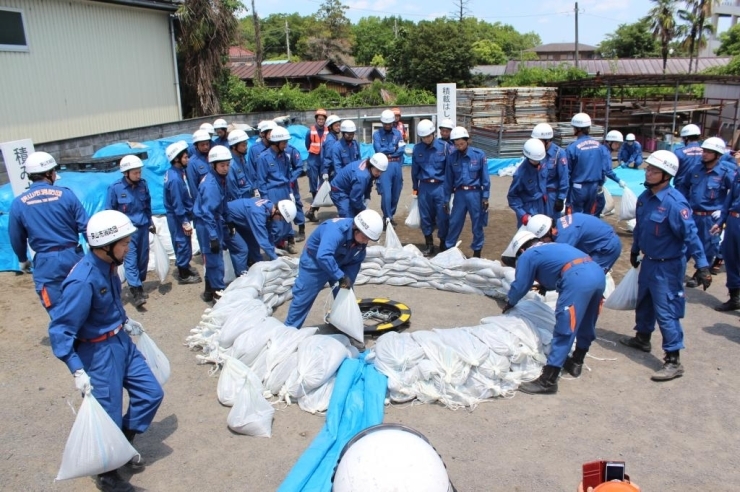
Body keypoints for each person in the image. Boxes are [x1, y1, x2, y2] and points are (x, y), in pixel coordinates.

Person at [49, 209, 164, 492]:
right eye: (124, 243)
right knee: (108, 412)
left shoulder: (110, 266)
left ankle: (122, 444)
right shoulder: (83, 280)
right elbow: (61, 330)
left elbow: (110, 302)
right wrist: (76, 368)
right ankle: (108, 474)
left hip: (120, 342)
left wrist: (125, 320)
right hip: (98, 353)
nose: (128, 247)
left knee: (151, 392)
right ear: (105, 247)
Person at [620, 150, 711, 382]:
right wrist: (634, 249)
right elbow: (640, 227)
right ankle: (642, 338)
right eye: (648, 168)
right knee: (645, 302)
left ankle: (673, 360)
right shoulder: (645, 198)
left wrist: (702, 265)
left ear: (666, 175)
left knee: (667, 310)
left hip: (668, 267)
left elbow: (691, 236)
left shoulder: (674, 204)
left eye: (653, 170)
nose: (647, 172)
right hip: (649, 261)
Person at [502, 231, 606, 394]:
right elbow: (554, 270)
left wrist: (510, 302)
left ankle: (548, 380)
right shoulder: (553, 247)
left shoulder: (527, 255)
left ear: (521, 250)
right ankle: (576, 361)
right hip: (597, 274)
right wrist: (544, 285)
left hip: (577, 278)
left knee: (565, 326)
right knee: (587, 320)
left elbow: (520, 285)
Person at [9, 151, 88, 318]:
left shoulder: (19, 203)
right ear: (49, 173)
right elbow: (86, 226)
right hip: (73, 257)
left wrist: (22, 259)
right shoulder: (66, 195)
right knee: (84, 302)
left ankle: (67, 340)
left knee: (58, 312)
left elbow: (16, 237)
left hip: (46, 263)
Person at [284, 209, 383, 329]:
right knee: (303, 298)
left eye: (369, 239)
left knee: (345, 295)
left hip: (341, 261)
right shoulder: (335, 231)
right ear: (356, 228)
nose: (366, 241)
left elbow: (356, 260)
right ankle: (288, 332)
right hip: (315, 264)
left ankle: (347, 329)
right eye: (365, 237)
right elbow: (323, 256)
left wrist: (347, 280)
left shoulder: (361, 238)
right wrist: (339, 276)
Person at [678, 137, 737, 285]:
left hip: (710, 217)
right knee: (684, 245)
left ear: (717, 155)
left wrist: (723, 209)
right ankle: (676, 272)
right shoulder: (696, 169)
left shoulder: (725, 172)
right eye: (704, 151)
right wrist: (684, 203)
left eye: (709, 152)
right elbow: (683, 186)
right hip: (693, 214)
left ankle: (699, 274)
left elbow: (735, 192)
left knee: (708, 247)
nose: (704, 154)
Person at [106, 155, 155, 308]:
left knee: (143, 258)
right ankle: (136, 290)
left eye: (139, 172)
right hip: (126, 232)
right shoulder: (115, 188)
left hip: (143, 228)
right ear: (126, 173)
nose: (138, 175)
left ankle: (138, 282)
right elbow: (110, 210)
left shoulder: (143, 185)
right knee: (130, 259)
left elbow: (147, 205)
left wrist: (150, 222)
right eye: (135, 173)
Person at [444, 126, 490, 258]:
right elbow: (448, 180)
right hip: (459, 194)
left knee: (477, 223)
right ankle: (449, 248)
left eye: (462, 143)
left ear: (467, 141)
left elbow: (485, 178)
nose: (459, 147)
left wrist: (485, 197)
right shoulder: (452, 158)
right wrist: (446, 199)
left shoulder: (479, 155)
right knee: (454, 222)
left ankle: (477, 251)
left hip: (475, 194)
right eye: (456, 144)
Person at [521, 213, 622, 273]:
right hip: (598, 242)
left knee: (589, 277)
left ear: (548, 232)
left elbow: (560, 262)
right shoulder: (560, 224)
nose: (543, 242)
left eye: (542, 239)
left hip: (607, 248)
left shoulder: (564, 236)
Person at [194, 145, 231, 302]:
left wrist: (228, 221)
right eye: (222, 165)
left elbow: (222, 204)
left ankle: (209, 290)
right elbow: (207, 212)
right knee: (215, 259)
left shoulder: (219, 179)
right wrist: (213, 236)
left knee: (214, 257)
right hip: (207, 224)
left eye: (227, 165)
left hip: (213, 221)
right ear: (214, 165)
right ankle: (218, 292)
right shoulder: (210, 185)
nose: (225, 168)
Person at [163, 141, 202, 284]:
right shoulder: (175, 179)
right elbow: (177, 203)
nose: (188, 159)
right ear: (177, 159)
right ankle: (183, 274)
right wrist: (184, 221)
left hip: (180, 215)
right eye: (185, 157)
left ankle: (185, 266)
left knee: (185, 242)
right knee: (182, 243)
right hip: (178, 216)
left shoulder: (177, 172)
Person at [255, 126, 297, 253]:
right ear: (276, 143)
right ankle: (273, 249)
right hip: (272, 192)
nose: (286, 145)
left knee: (287, 219)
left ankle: (287, 243)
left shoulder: (284, 156)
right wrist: (266, 201)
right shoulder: (263, 158)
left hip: (284, 189)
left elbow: (287, 174)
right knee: (276, 224)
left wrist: (290, 192)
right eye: (284, 143)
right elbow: (261, 181)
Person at [411, 119, 449, 256]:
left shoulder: (444, 147)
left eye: (428, 136)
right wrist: (415, 187)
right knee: (425, 217)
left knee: (443, 216)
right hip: (425, 187)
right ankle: (429, 244)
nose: (426, 139)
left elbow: (449, 169)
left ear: (433, 133)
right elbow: (414, 170)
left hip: (440, 187)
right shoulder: (417, 149)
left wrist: (450, 188)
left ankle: (443, 243)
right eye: (423, 137)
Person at [711, 156, 740, 311]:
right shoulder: (739, 173)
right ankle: (735, 297)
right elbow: (730, 199)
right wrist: (721, 220)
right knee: (731, 258)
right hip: (734, 221)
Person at [227, 198, 297, 263]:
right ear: (277, 211)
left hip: (241, 221)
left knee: (254, 244)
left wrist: (273, 248)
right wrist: (276, 258)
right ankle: (241, 273)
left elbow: (268, 233)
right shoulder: (258, 213)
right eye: (281, 218)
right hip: (226, 221)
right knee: (242, 249)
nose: (279, 220)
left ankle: (257, 263)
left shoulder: (269, 209)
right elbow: (262, 239)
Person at [224, 129, 253, 276]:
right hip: (239, 206)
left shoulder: (242, 159)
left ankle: (250, 261)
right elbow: (234, 193)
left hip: (247, 201)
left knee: (250, 237)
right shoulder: (231, 167)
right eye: (243, 145)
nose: (246, 147)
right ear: (234, 147)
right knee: (242, 244)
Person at [566, 113, 605, 215]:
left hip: (578, 188)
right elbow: (604, 167)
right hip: (594, 187)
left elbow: (567, 172)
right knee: (589, 215)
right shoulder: (599, 146)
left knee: (575, 217)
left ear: (577, 129)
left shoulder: (572, 148)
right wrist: (600, 184)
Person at [307, 114, 342, 222]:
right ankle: (343, 212)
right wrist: (326, 171)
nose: (339, 127)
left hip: (329, 170)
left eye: (339, 125)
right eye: (336, 126)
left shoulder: (333, 137)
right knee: (335, 191)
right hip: (330, 170)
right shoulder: (331, 140)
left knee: (323, 191)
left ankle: (311, 211)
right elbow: (328, 157)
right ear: (330, 127)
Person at [330, 153, 388, 218]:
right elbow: (354, 198)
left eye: (381, 172)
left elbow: (368, 183)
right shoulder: (362, 176)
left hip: (349, 189)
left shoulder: (367, 165)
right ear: (372, 166)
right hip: (339, 192)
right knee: (348, 219)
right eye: (378, 171)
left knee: (357, 214)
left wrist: (367, 197)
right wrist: (364, 209)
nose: (379, 174)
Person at [507, 138, 549, 227]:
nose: (537, 162)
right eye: (535, 160)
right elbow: (512, 196)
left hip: (542, 204)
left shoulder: (543, 163)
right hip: (528, 208)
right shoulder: (520, 174)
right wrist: (522, 214)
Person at [532, 123, 569, 220]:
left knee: (552, 225)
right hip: (536, 195)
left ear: (547, 140)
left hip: (551, 197)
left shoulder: (559, 154)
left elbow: (564, 178)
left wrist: (561, 198)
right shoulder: (534, 151)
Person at [374, 110, 405, 225]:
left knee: (396, 193)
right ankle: (387, 217)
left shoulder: (398, 134)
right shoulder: (377, 134)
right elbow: (379, 150)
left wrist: (391, 152)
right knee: (386, 194)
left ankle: (390, 215)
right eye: (385, 123)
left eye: (389, 123)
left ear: (393, 122)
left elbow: (401, 149)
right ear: (382, 123)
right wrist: (393, 150)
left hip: (396, 165)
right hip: (384, 166)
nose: (387, 126)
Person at [594, 130, 628, 216]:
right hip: (595, 183)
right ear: (609, 142)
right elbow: (607, 170)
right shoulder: (605, 152)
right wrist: (618, 180)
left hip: (592, 181)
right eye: (616, 143)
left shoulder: (601, 148)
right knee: (600, 203)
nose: (618, 146)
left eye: (619, 144)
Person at [285, 138, 307, 242]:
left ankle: (301, 230)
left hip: (291, 184)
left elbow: (299, 167)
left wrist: (292, 179)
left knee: (296, 204)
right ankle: (286, 235)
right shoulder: (268, 152)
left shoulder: (291, 150)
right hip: (278, 185)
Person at [247, 120, 277, 195]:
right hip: (261, 188)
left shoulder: (277, 147)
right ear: (263, 134)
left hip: (275, 187)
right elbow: (252, 171)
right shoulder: (254, 149)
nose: (273, 136)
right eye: (270, 133)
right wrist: (255, 188)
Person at [305, 109, 328, 202]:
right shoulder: (310, 131)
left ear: (325, 120)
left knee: (323, 177)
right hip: (313, 157)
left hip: (324, 158)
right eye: (319, 119)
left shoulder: (328, 130)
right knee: (313, 178)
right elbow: (307, 143)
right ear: (316, 119)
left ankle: (321, 195)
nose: (321, 121)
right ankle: (314, 195)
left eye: (322, 119)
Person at [673, 124, 703, 195]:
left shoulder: (679, 152)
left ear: (686, 138)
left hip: (681, 187)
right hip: (699, 186)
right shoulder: (705, 152)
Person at [186, 129, 212, 199]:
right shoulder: (191, 163)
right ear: (196, 146)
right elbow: (193, 188)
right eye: (202, 145)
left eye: (207, 144)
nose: (206, 147)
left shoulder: (213, 157)